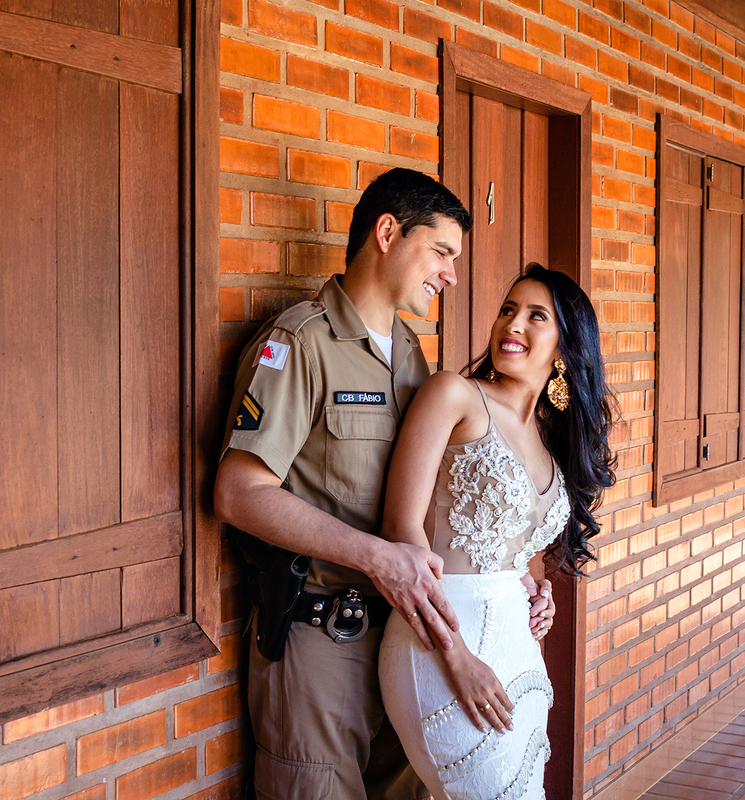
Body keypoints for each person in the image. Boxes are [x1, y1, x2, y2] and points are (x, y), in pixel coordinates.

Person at [214, 168, 552, 800]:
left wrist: (521, 584)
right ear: (389, 232)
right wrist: (377, 557)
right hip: (322, 644)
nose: (452, 274)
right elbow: (239, 493)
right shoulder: (301, 342)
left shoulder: (408, 353)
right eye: (443, 252)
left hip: (407, 646)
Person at [377, 264, 615, 800]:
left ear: (565, 349)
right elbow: (400, 528)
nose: (513, 323)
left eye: (536, 316)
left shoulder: (548, 439)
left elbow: (521, 550)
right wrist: (456, 657)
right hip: (440, 643)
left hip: (516, 655)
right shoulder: (454, 396)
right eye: (508, 309)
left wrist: (538, 589)